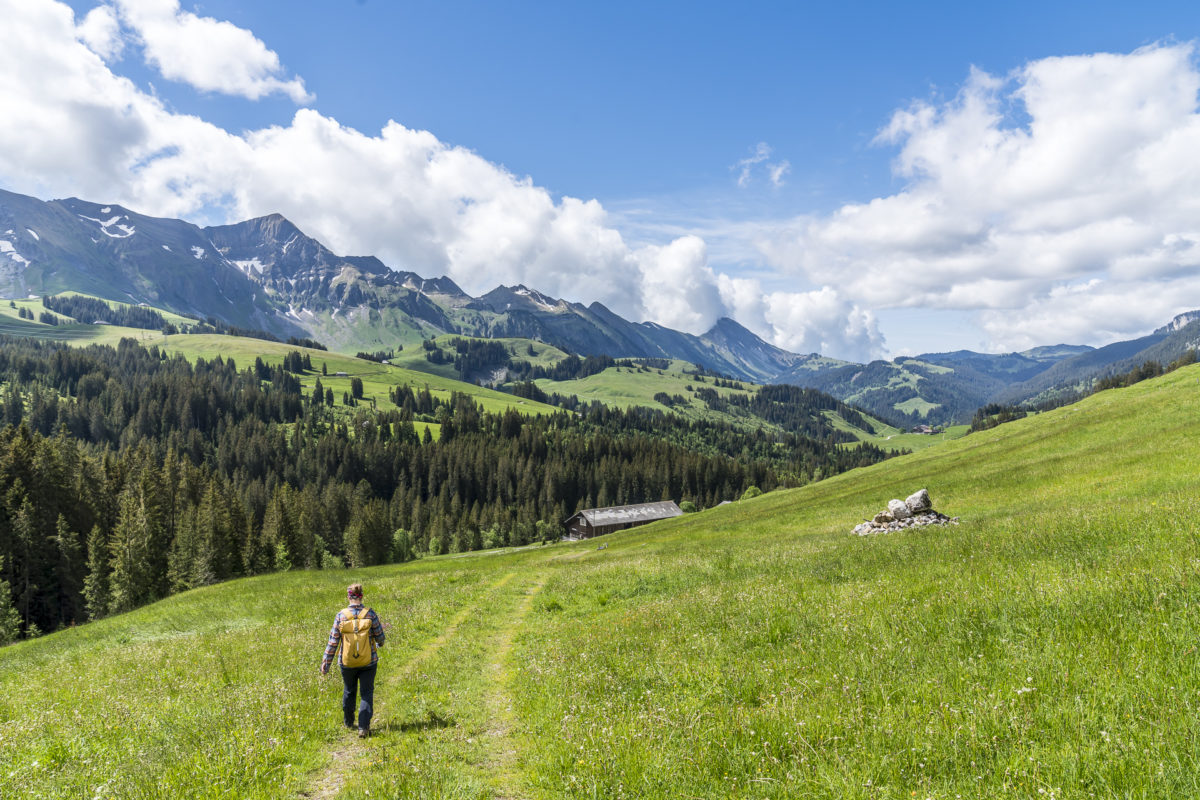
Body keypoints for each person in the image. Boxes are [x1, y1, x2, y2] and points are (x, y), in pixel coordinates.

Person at [320, 583, 386, 738]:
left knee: (349, 690)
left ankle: (349, 722)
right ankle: (363, 727)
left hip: (347, 662)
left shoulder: (341, 616)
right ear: (361, 596)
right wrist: (380, 643)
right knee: (366, 692)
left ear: (348, 596)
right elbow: (380, 636)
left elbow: (333, 642)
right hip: (368, 662)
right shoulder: (370, 614)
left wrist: (326, 663)